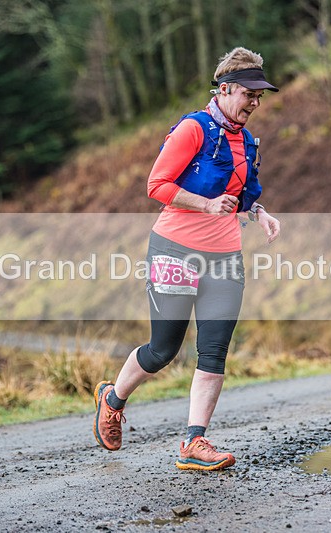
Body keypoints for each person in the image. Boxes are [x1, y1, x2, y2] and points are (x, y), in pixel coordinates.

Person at [92, 47, 281, 471]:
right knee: (163, 351)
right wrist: (204, 205)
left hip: (225, 258)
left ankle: (194, 442)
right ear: (225, 88)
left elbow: (243, 196)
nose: (254, 102)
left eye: (259, 96)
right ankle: (113, 398)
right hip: (175, 251)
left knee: (213, 352)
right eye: (249, 94)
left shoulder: (247, 142)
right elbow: (156, 184)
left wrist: (260, 214)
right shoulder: (193, 129)